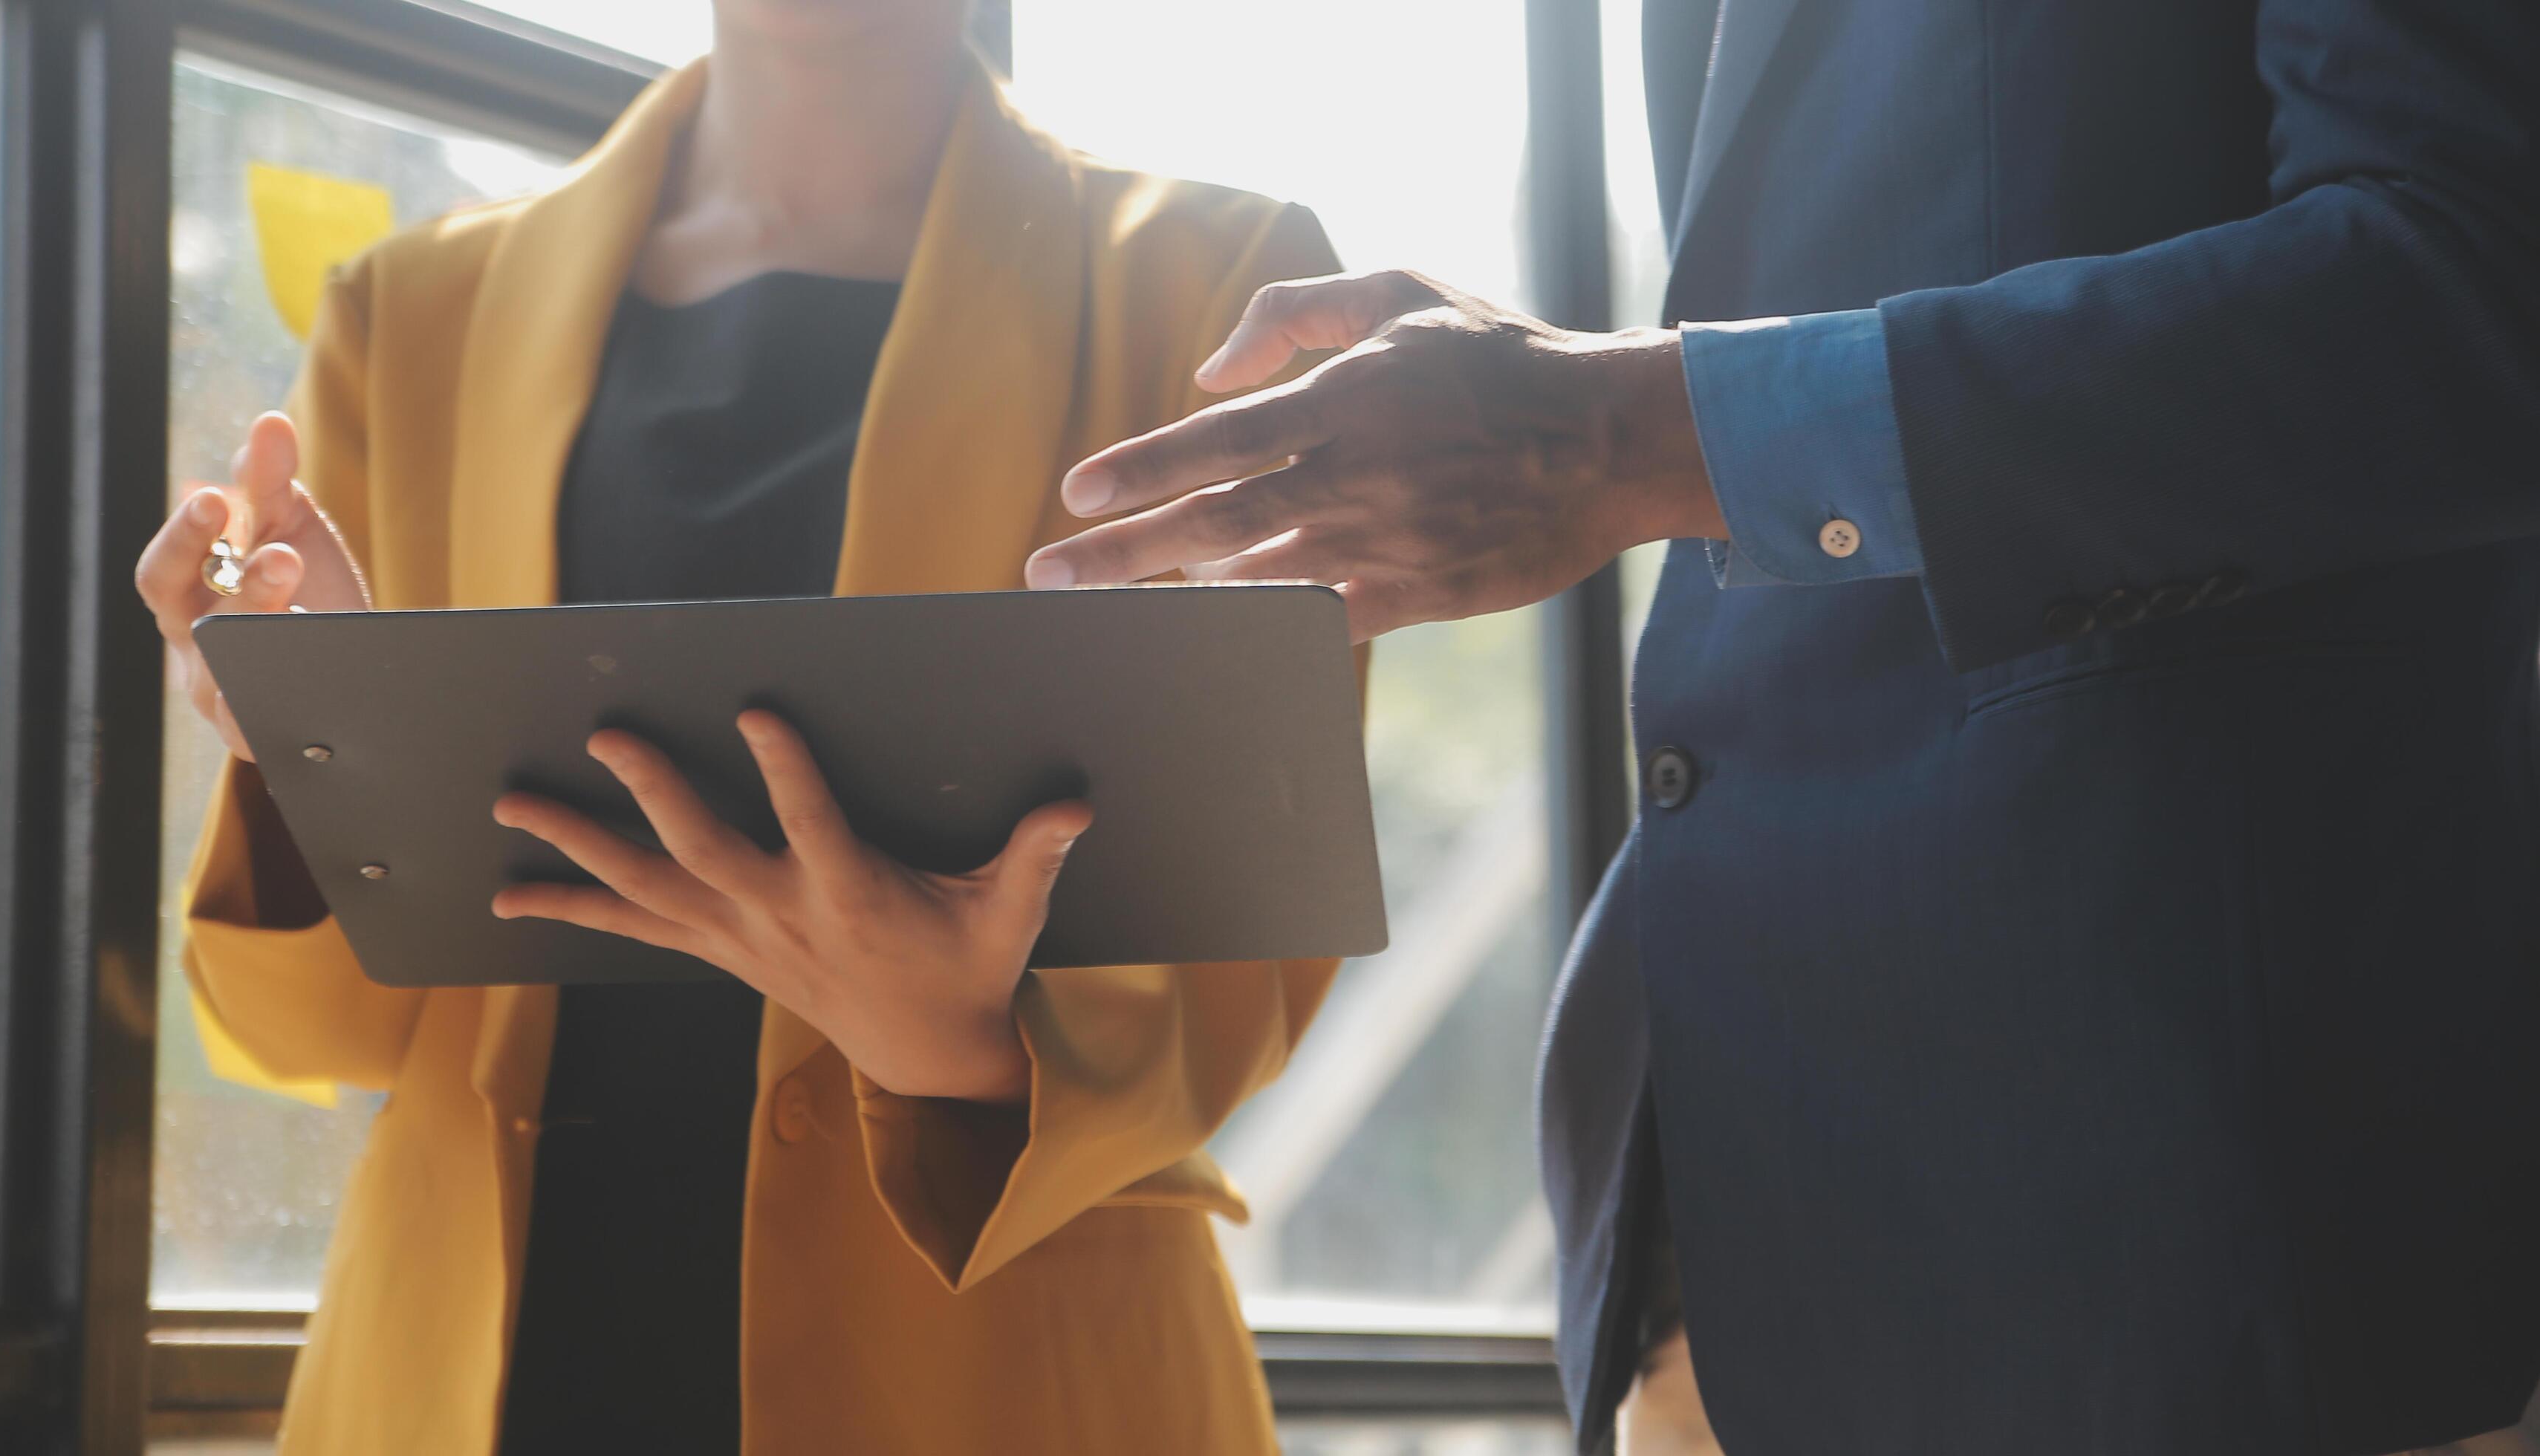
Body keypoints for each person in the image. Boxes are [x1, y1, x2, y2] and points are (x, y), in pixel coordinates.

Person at [1024, 0, 2540, 1452]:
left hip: (2171, 1236)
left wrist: (1624, 428)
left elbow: (2475, 276)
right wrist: (1597, 413)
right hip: (1728, 1242)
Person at [134, 1, 1345, 1451]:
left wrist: (962, 1053)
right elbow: (319, 1024)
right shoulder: (409, 317)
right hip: (477, 1377)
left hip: (1001, 1373)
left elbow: (1246, 964)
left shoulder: (1221, 292)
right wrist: (301, 754)